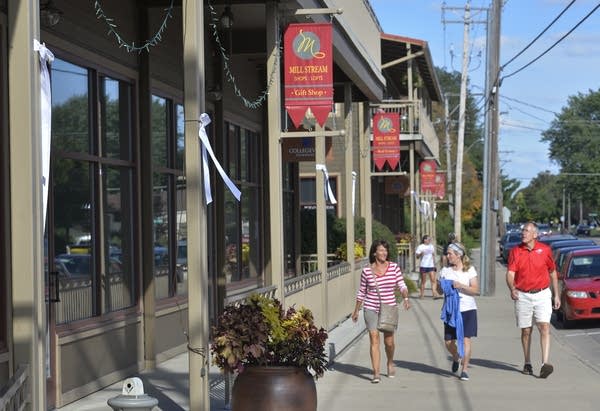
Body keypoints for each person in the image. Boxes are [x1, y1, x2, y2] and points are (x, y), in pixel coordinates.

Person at [505, 222, 560, 379]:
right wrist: (512, 288)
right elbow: (510, 274)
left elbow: (553, 272)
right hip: (523, 295)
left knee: (544, 327)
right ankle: (527, 362)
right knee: (526, 330)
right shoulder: (516, 251)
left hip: (542, 294)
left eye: (527, 231)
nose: (523, 233)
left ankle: (545, 364)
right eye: (523, 230)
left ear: (535, 235)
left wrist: (556, 294)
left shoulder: (545, 250)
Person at [351, 239, 410, 383]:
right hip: (371, 308)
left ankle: (390, 362)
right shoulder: (366, 271)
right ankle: (376, 373)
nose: (384, 253)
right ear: (374, 253)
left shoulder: (394, 267)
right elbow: (361, 292)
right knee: (374, 338)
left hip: (389, 308)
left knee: (389, 342)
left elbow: (401, 285)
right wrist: (356, 310)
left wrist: (406, 298)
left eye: (385, 250)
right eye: (381, 250)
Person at [437, 242, 479, 381]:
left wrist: (460, 286)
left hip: (467, 309)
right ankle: (456, 357)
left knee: (465, 340)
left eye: (450, 253)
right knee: (448, 342)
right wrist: (440, 286)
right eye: (447, 253)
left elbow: (475, 290)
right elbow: (438, 292)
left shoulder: (469, 270)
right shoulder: (445, 271)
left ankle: (465, 370)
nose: (447, 256)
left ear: (458, 255)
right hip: (450, 310)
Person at [415, 234, 440, 299]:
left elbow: (433, 255)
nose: (430, 240)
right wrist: (420, 254)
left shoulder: (431, 246)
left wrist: (434, 265)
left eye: (430, 239)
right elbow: (417, 256)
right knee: (423, 281)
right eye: (428, 239)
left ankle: (434, 294)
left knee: (433, 280)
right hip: (423, 266)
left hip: (431, 266)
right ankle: (422, 294)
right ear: (424, 240)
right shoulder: (421, 246)